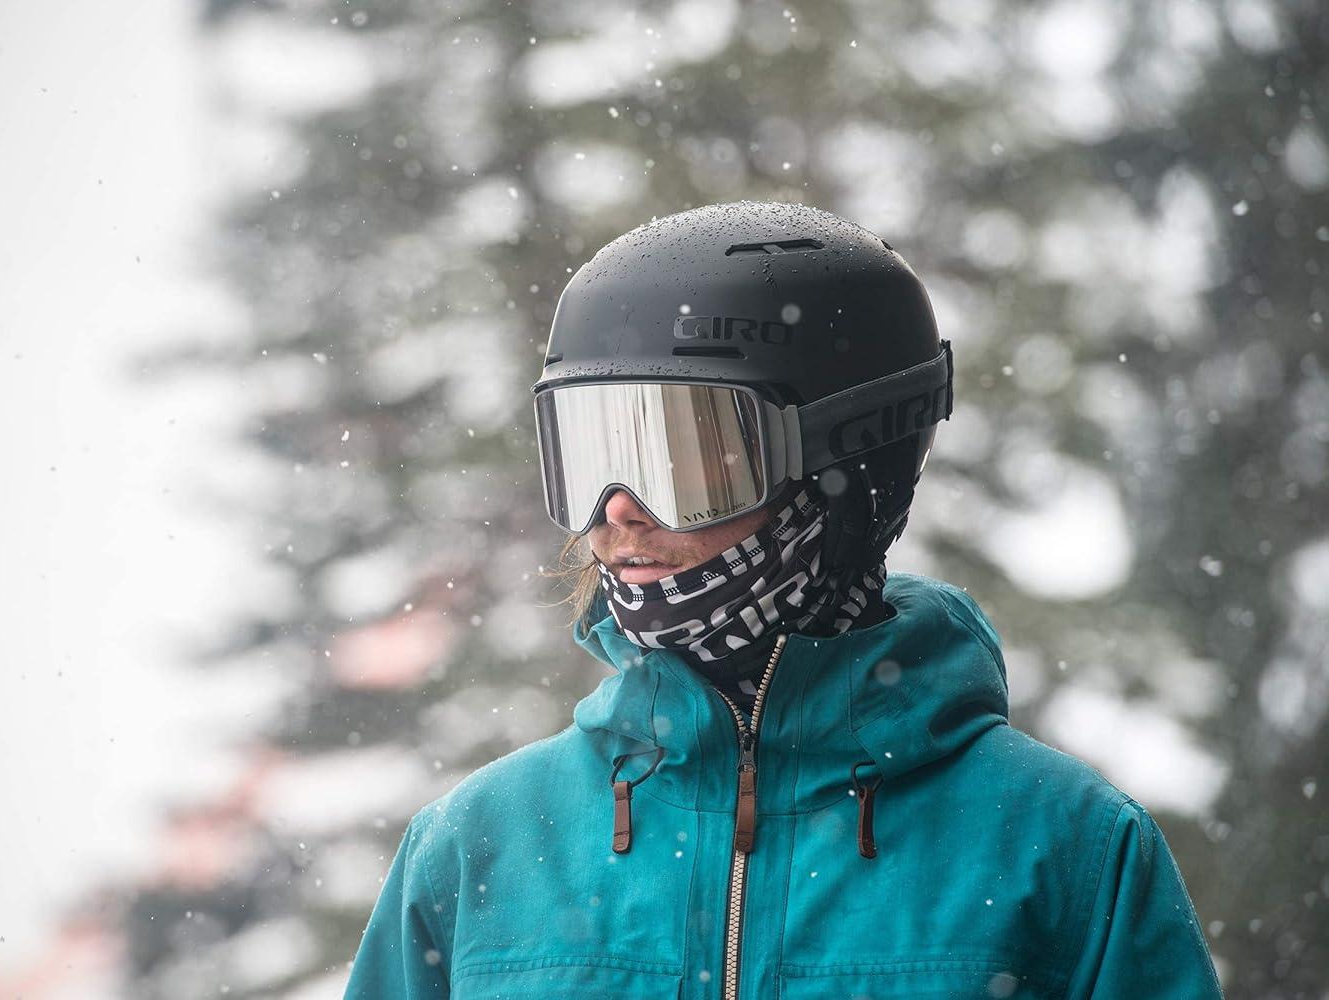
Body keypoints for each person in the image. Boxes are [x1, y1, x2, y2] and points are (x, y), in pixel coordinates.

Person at [343, 201, 1224, 999]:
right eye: (591, 454)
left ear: (845, 470)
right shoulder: (478, 848)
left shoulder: (1062, 848)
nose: (618, 510)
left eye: (684, 458)